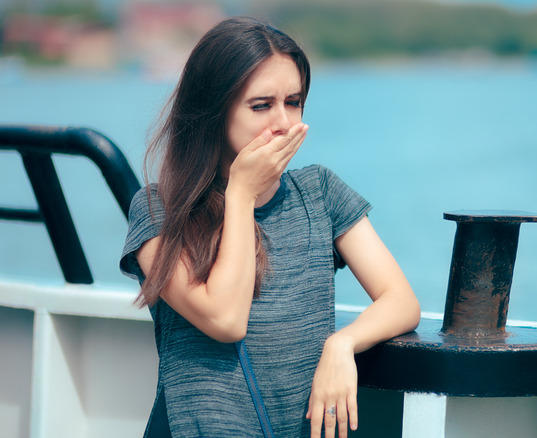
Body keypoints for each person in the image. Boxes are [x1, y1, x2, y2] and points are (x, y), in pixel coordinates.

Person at [120, 16, 420, 438]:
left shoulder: (320, 192)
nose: (283, 122)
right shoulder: (157, 210)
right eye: (261, 105)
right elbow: (225, 321)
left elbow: (401, 301)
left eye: (293, 102)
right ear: (213, 111)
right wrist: (240, 196)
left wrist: (343, 344)